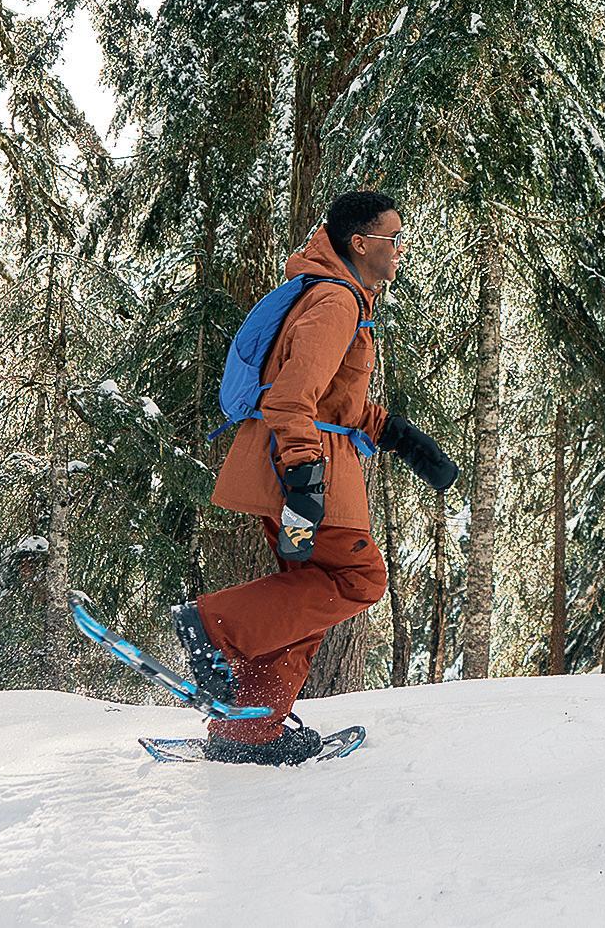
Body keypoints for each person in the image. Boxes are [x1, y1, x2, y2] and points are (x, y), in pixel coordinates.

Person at [170, 189, 460, 763]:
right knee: (358, 579)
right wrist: (305, 478)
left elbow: (334, 402)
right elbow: (290, 398)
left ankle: (249, 732)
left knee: (305, 598)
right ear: (361, 243)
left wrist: (399, 436)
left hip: (297, 466)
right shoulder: (336, 302)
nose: (401, 248)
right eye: (394, 237)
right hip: (307, 472)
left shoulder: (340, 297)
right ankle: (211, 626)